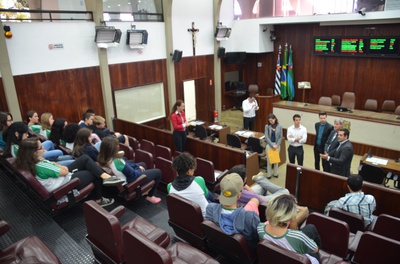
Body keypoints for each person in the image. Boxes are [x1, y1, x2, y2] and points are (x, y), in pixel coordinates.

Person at [13, 138, 124, 207]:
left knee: (84, 158)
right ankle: (98, 199)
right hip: (65, 185)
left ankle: (106, 177)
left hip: (61, 178)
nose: (44, 149)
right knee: (94, 172)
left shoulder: (30, 161)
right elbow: (64, 171)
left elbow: (57, 167)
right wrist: (59, 166)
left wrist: (57, 166)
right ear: (33, 152)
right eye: (40, 148)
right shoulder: (40, 166)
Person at [257, 194, 321, 264]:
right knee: (311, 230)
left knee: (310, 228)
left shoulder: (260, 228)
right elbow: (315, 249)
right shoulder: (299, 237)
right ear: (290, 216)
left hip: (277, 259)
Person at [97, 136, 162, 204]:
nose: (118, 146)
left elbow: (126, 168)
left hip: (122, 178)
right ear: (113, 148)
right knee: (158, 172)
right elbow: (133, 176)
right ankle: (150, 196)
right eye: (117, 145)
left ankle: (146, 189)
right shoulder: (118, 162)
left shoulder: (102, 157)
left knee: (143, 164)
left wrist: (137, 167)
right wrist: (139, 169)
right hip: (130, 183)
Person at [206, 173, 260, 250]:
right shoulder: (250, 217)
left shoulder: (210, 209)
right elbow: (257, 240)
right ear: (238, 195)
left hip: (221, 247)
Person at [168, 152, 212, 217]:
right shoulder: (199, 180)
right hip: (205, 220)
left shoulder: (169, 186)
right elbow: (207, 195)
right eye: (193, 169)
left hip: (185, 217)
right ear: (188, 171)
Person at [264, 113, 283, 179]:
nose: (271, 122)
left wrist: (277, 145)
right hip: (270, 144)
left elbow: (281, 137)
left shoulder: (280, 126)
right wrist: (272, 145)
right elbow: (266, 137)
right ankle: (269, 174)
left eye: (272, 120)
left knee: (276, 160)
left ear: (275, 119)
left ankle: (275, 173)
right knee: (269, 160)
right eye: (269, 121)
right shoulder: (267, 126)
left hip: (277, 145)